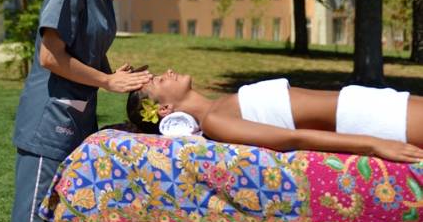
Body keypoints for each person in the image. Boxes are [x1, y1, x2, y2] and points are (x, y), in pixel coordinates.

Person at [4, 0, 152, 222]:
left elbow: (84, 49)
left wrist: (118, 75)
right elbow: (50, 56)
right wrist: (107, 81)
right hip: (49, 123)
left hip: (75, 122)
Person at [127, 70, 423, 163]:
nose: (167, 73)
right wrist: (373, 144)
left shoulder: (222, 104)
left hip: (363, 101)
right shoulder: (215, 121)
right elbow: (291, 139)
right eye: (158, 82)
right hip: (368, 121)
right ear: (163, 110)